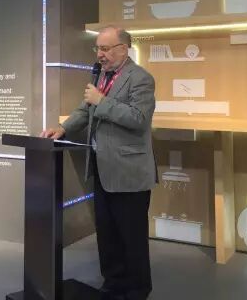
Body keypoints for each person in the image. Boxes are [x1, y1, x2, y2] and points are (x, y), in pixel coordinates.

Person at [42, 26, 157, 300]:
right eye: (98, 48)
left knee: (131, 237)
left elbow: (139, 119)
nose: (100, 55)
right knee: (107, 234)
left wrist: (101, 101)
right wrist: (63, 129)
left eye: (105, 48)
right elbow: (86, 110)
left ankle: (137, 290)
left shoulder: (141, 78)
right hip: (102, 168)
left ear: (123, 49)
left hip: (128, 173)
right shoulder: (102, 75)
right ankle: (113, 283)